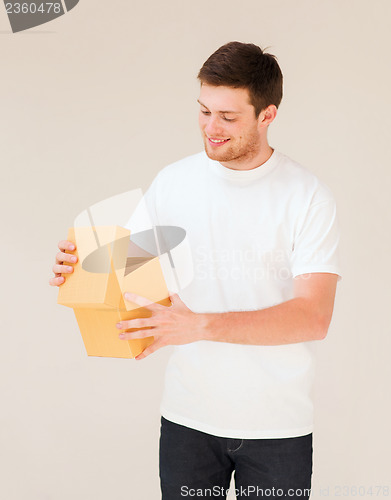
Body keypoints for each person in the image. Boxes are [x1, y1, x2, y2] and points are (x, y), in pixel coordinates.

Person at [50, 41, 341, 499]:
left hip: (277, 428)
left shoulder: (307, 196)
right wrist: (80, 264)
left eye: (228, 117)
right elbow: (127, 273)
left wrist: (199, 325)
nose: (210, 128)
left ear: (268, 116)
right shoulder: (174, 181)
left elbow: (313, 317)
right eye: (204, 111)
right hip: (188, 421)